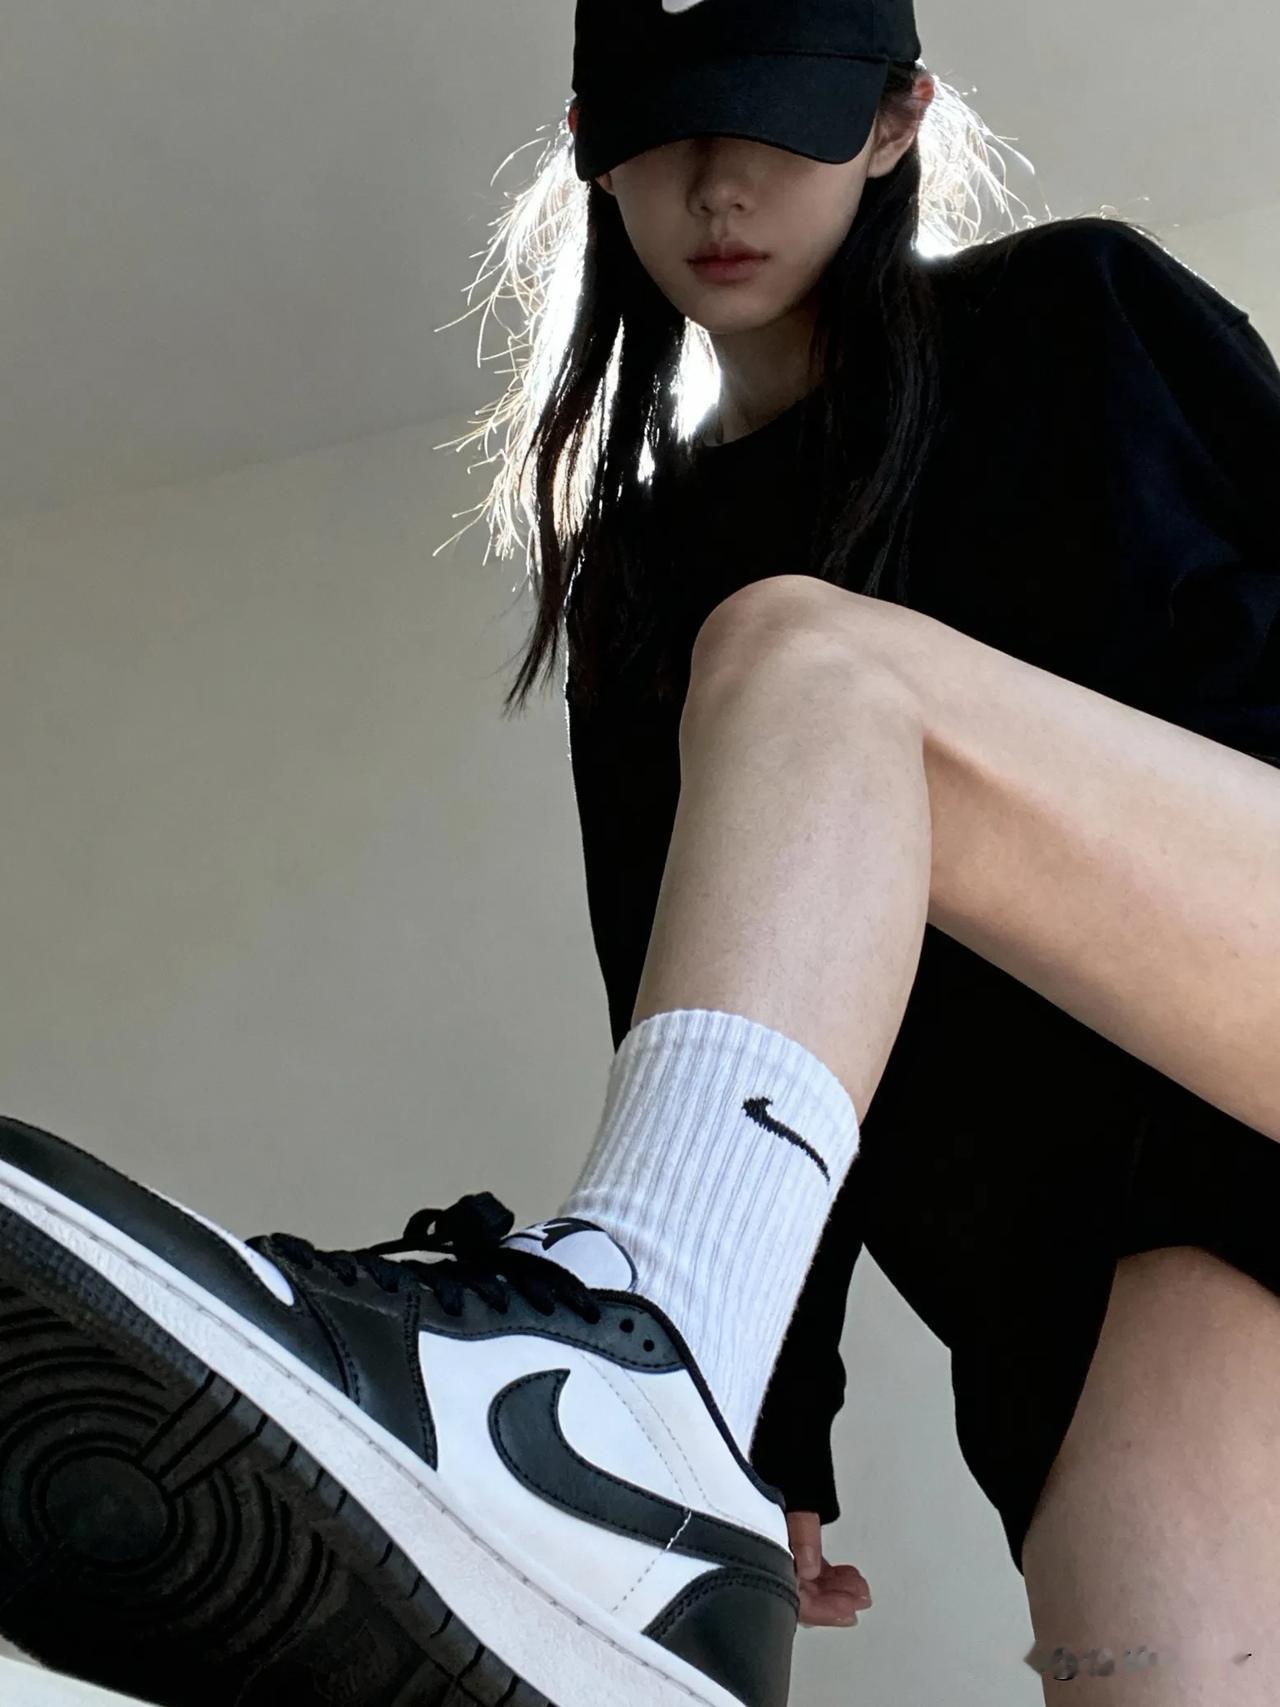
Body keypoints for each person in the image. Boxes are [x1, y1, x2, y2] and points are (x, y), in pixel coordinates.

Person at [0, 3, 1275, 1705]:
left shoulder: (1076, 313)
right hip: (1088, 1243)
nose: (716, 185)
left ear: (895, 121)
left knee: (813, 669)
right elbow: (701, 1010)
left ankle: (625, 1400)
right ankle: (654, 1431)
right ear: (594, 155)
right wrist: (770, 1439)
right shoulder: (645, 564)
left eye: (773, 121)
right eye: (662, 135)